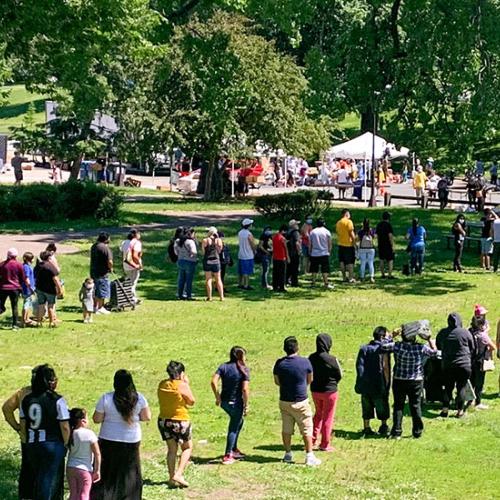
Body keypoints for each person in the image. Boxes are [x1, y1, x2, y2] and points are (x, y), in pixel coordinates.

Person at [92, 369, 151, 499]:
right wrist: (135, 418)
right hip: (131, 439)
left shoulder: (106, 398)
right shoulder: (139, 398)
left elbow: (96, 419)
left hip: (108, 438)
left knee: (108, 471)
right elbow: (147, 416)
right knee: (130, 471)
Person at [20, 364, 70, 499]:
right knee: (48, 482)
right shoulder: (58, 400)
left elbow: (23, 424)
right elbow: (64, 426)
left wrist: (26, 443)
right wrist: (66, 443)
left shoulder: (26, 399)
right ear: (49, 382)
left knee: (38, 478)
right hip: (51, 444)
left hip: (32, 443)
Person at [381, 328, 439, 438]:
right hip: (416, 380)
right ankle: (417, 431)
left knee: (398, 406)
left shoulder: (397, 346)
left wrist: (391, 336)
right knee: (415, 406)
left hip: (399, 379)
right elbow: (435, 353)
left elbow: (382, 346)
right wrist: (429, 339)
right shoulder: (420, 347)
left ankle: (396, 431)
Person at [273, 336, 321, 466]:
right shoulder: (305, 362)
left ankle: (288, 453)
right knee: (306, 428)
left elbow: (277, 381)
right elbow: (310, 379)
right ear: (297, 348)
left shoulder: (279, 363)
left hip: (284, 400)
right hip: (301, 400)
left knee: (286, 428)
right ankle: (309, 455)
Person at [157, 361, 195, 488]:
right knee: (187, 447)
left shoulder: (163, 384)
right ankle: (179, 474)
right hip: (180, 420)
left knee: (171, 450)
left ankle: (171, 477)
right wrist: (186, 384)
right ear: (182, 373)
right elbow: (191, 402)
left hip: (164, 420)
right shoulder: (181, 385)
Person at [211, 346, 250, 464]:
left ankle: (234, 449)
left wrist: (218, 397)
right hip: (236, 403)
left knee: (239, 421)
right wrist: (246, 405)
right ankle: (228, 455)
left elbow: (213, 381)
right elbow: (245, 390)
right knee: (234, 426)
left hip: (225, 402)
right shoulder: (244, 370)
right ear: (241, 356)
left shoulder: (224, 367)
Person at [2, 371, 35, 499]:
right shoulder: (49, 396)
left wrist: (17, 426)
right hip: (44, 441)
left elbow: (7, 408)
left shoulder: (22, 393)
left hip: (26, 437)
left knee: (27, 471)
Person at [436, 312, 475, 418]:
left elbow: (438, 347)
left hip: (448, 365)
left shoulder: (443, 333)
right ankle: (460, 411)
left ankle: (445, 410)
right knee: (461, 387)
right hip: (464, 365)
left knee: (448, 387)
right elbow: (472, 348)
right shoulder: (465, 332)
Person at [355, 326, 391, 436]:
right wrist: (387, 382)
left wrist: (361, 381)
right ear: (382, 337)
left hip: (366, 384)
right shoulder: (383, 350)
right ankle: (384, 426)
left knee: (366, 406)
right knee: (382, 405)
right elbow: (385, 367)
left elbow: (359, 366)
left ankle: (366, 427)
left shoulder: (364, 349)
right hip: (379, 383)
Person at [308, 334, 342, 451]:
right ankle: (325, 443)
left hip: (315, 390)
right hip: (330, 392)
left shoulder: (311, 358)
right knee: (328, 417)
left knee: (318, 414)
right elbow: (339, 375)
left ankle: (311, 440)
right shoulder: (332, 359)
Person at [67, 408, 101, 500]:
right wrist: (97, 470)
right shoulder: (89, 434)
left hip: (71, 467)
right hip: (85, 469)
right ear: (83, 421)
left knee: (73, 494)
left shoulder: (70, 433)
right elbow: (97, 453)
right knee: (84, 494)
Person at [469, 305, 496, 410]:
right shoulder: (483, 335)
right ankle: (478, 402)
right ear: (480, 326)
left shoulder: (469, 332)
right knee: (479, 383)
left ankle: (470, 400)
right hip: (480, 361)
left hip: (470, 360)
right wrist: (488, 350)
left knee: (471, 381)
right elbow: (493, 347)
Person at [0, 248, 27, 330]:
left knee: (0, 305)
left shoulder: (2, 265)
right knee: (14, 306)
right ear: (16, 255)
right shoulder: (19, 265)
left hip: (3, 288)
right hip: (15, 288)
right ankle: (15, 325)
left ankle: (2, 309)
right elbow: (22, 277)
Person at [35, 250, 64, 328]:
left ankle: (38, 322)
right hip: (49, 289)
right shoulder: (50, 266)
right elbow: (56, 279)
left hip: (39, 288)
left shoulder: (38, 266)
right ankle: (51, 322)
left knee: (41, 305)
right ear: (48, 257)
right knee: (51, 306)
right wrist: (60, 289)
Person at [90, 232, 113, 314]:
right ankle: (101, 307)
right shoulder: (105, 248)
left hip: (93, 271)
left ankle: (94, 307)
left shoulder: (94, 246)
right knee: (102, 290)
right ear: (106, 239)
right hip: (102, 273)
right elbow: (110, 261)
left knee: (95, 290)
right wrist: (111, 268)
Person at [174, 227, 198, 300]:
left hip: (181, 261)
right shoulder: (190, 241)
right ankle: (188, 295)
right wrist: (191, 254)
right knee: (189, 279)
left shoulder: (178, 241)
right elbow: (194, 252)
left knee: (181, 279)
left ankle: (180, 294)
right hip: (190, 261)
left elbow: (175, 251)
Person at [201, 227, 224, 301]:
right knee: (218, 279)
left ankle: (209, 297)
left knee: (208, 279)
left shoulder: (205, 240)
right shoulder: (219, 240)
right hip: (216, 260)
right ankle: (221, 297)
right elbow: (220, 251)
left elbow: (203, 252)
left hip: (207, 260)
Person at [309, 218, 333, 289]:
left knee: (314, 269)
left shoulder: (312, 232)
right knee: (325, 269)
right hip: (324, 253)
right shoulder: (327, 231)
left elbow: (310, 243)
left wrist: (310, 251)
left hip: (314, 253)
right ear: (324, 223)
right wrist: (329, 251)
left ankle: (313, 283)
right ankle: (326, 283)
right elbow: (329, 243)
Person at [120, 229, 143, 304]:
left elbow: (123, 253)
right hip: (133, 265)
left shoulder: (125, 242)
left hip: (126, 264)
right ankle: (132, 299)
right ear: (136, 235)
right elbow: (135, 255)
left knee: (128, 282)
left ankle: (128, 297)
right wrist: (139, 265)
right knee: (133, 283)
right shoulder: (136, 243)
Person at [335, 209, 356, 283]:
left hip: (341, 244)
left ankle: (344, 277)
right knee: (350, 262)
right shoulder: (349, 222)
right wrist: (354, 243)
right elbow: (351, 233)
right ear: (346, 214)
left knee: (342, 262)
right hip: (348, 245)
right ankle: (351, 277)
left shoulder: (338, 222)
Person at [237, 218, 256, 290]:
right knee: (246, 271)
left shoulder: (240, 232)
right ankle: (246, 285)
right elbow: (252, 244)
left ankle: (240, 283)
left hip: (241, 254)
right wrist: (254, 251)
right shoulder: (249, 234)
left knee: (241, 271)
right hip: (248, 255)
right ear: (248, 225)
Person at [376, 212, 395, 279]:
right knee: (390, 260)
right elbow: (390, 236)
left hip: (381, 244)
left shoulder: (379, 225)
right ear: (388, 218)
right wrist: (392, 245)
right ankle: (389, 274)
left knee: (381, 259)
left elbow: (377, 236)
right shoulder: (388, 225)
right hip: (387, 245)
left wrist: (378, 243)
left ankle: (382, 274)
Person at [357, 218, 376, 283]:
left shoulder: (361, 231)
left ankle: (362, 277)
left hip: (362, 248)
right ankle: (371, 277)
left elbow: (358, 239)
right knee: (371, 263)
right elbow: (374, 237)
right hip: (370, 248)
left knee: (363, 263)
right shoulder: (371, 230)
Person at [272, 224, 289, 292]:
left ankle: (275, 286)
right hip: (282, 257)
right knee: (282, 273)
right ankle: (281, 287)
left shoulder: (274, 237)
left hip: (275, 257)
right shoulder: (282, 238)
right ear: (283, 231)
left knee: (275, 272)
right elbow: (285, 248)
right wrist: (288, 256)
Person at [21, 251, 36, 327]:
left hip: (28, 288)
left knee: (28, 303)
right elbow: (26, 278)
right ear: (28, 259)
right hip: (27, 289)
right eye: (32, 258)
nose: (33, 260)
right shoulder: (26, 267)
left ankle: (27, 318)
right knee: (26, 304)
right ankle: (24, 320)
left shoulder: (26, 266)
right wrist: (30, 288)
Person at [286, 219, 301, 287]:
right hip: (294, 253)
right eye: (296, 224)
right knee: (295, 268)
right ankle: (294, 282)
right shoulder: (296, 232)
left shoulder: (288, 232)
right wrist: (299, 251)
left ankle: (286, 280)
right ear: (293, 225)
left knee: (289, 268)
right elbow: (297, 243)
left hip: (289, 253)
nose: (298, 226)